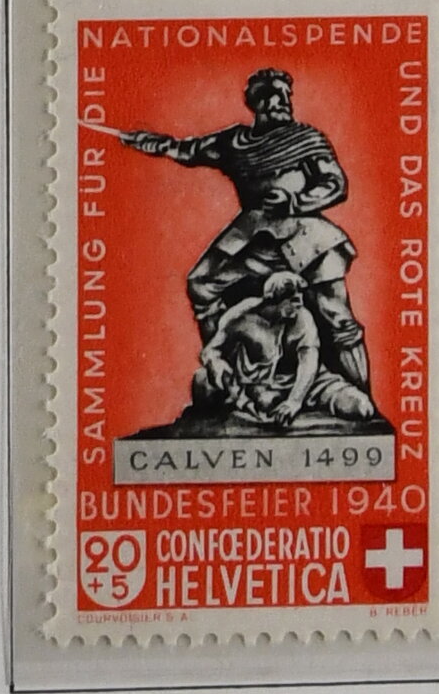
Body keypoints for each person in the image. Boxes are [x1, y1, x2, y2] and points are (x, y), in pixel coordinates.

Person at [114, 66, 383, 432]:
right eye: (270, 97)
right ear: (256, 103)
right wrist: (149, 142)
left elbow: (335, 183)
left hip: (306, 234)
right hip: (252, 235)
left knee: (339, 318)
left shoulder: (306, 139)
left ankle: (363, 398)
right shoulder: (234, 142)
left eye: (284, 96)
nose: (280, 102)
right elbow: (188, 150)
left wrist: (296, 200)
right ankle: (229, 378)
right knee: (201, 283)